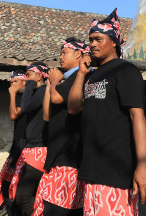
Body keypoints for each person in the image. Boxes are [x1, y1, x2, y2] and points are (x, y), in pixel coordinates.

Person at [68, 9, 146, 215]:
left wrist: (143, 166)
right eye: (90, 40)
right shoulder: (91, 75)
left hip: (116, 171)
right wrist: (81, 74)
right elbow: (73, 108)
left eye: (98, 39)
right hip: (92, 170)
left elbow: (137, 116)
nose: (93, 44)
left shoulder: (125, 70)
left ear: (114, 41)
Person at [33, 38, 88, 216]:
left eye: (64, 52)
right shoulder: (65, 80)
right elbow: (47, 115)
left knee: (59, 209)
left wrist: (54, 81)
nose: (61, 57)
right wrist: (50, 83)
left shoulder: (79, 77)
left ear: (78, 54)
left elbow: (57, 98)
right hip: (58, 155)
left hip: (69, 157)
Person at [10, 62, 49, 216]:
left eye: (29, 75)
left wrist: (31, 84)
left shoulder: (43, 90)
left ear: (39, 75)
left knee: (23, 196)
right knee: (20, 194)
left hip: (40, 150)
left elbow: (24, 107)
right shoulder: (37, 92)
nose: (26, 79)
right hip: (31, 149)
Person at [0, 71, 28, 216]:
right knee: (7, 187)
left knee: (16, 191)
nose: (12, 86)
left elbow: (13, 115)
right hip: (16, 147)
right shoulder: (19, 98)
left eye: (15, 82)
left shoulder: (27, 97)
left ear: (24, 82)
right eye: (11, 83)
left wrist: (12, 94)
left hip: (24, 149)